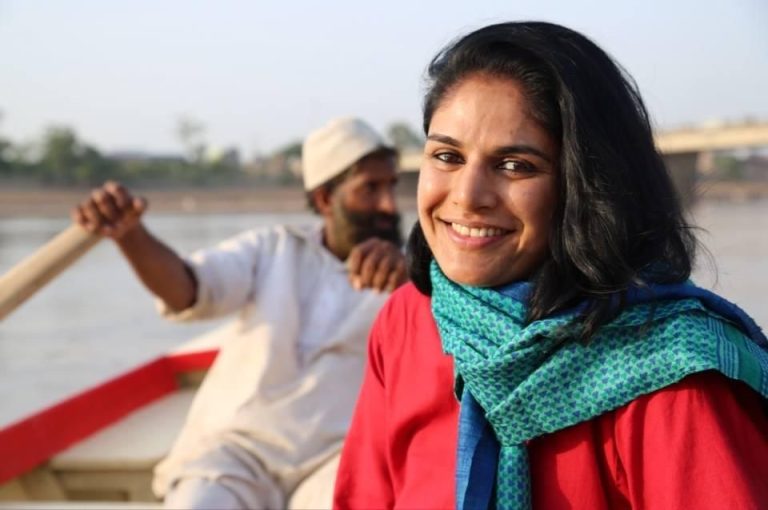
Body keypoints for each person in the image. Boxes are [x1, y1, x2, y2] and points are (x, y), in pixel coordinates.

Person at [334, 22, 768, 510]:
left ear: (586, 186)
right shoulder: (409, 320)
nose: (467, 196)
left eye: (515, 165)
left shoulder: (669, 371)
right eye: (447, 156)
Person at [73, 117, 407, 509]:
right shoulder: (273, 249)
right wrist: (131, 236)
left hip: (339, 457)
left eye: (390, 187)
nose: (388, 205)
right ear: (323, 199)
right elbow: (187, 290)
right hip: (239, 453)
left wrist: (411, 281)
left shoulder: (418, 278)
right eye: (370, 189)